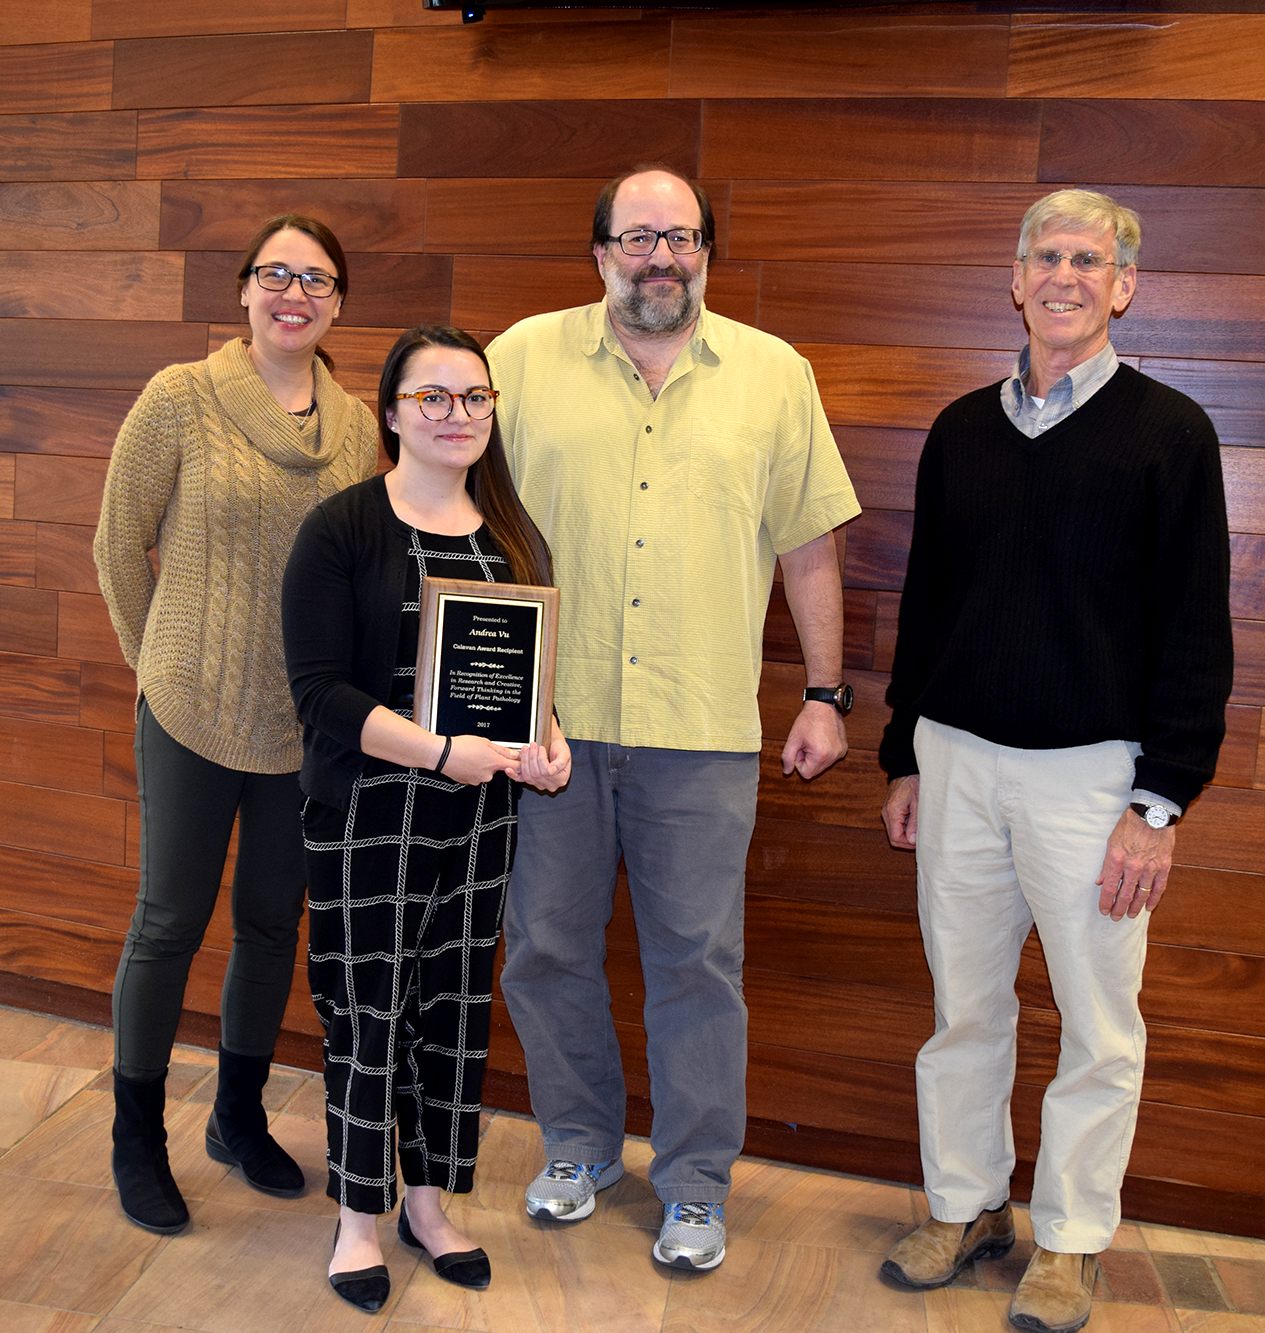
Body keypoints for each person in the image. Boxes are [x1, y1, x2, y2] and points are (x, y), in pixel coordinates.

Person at [486, 165, 862, 1272]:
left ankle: (695, 1183)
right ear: (600, 251)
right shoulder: (517, 360)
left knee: (698, 963)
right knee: (544, 947)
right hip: (547, 728)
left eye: (682, 238)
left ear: (706, 253)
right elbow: (459, 515)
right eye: (639, 237)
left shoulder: (774, 374)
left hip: (700, 727)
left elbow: (808, 540)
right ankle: (578, 1145)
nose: (662, 257)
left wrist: (826, 693)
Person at [876, 189, 1233, 1332]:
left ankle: (1070, 1239)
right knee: (963, 1008)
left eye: (1089, 259)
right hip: (956, 761)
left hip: (1092, 778)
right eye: (1046, 256)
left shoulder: (1169, 433)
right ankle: (966, 1204)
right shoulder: (958, 432)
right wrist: (904, 755)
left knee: (1097, 1024)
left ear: (1122, 286)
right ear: (1015, 278)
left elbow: (1195, 630)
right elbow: (925, 606)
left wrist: (1158, 802)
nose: (1064, 276)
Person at [93, 213, 377, 1235]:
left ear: (337, 302)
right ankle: (136, 1138)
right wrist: (160, 662)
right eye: (275, 274)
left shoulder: (359, 428)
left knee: (269, 922)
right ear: (245, 291)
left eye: (316, 278)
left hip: (303, 723)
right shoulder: (179, 397)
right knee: (168, 920)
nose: (294, 293)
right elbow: (117, 545)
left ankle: (237, 1117)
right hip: (189, 709)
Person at [283, 326, 572, 1312]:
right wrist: (439, 752)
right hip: (367, 813)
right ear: (393, 413)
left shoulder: (511, 535)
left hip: (478, 823)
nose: (458, 415)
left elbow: (522, 683)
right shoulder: (341, 528)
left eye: (475, 398)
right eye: (434, 397)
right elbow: (320, 693)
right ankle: (357, 1219)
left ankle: (430, 1204)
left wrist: (549, 741)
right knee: (368, 1014)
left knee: (451, 1010)